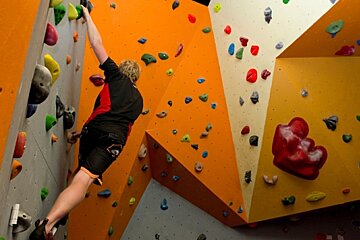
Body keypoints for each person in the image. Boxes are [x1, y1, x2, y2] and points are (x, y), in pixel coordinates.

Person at [29, 5, 143, 240]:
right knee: (84, 180)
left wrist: (88, 14)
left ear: (122, 71)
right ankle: (48, 225)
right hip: (114, 142)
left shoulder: (115, 75)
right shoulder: (139, 101)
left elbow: (97, 43)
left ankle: (52, 221)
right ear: (137, 79)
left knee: (78, 176)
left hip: (94, 130)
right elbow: (122, 124)